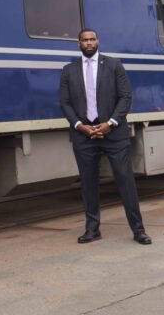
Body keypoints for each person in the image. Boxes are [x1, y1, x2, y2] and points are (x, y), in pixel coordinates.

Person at [59, 29, 151, 245]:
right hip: (84, 136)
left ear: (97, 41)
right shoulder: (68, 71)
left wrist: (110, 124)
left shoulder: (114, 65)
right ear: (78, 43)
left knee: (126, 182)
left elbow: (125, 97)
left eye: (92, 39)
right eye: (84, 40)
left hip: (114, 134)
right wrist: (80, 126)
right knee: (88, 185)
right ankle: (92, 229)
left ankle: (138, 230)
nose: (89, 43)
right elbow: (65, 103)